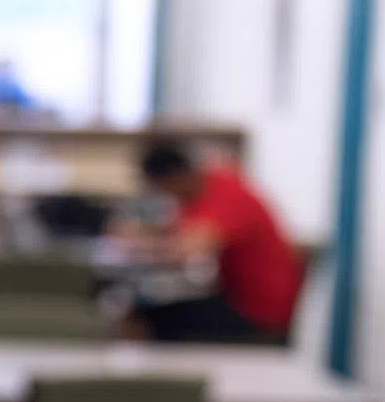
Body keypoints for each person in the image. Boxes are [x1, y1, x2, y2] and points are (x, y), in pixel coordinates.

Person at [120, 140, 303, 344]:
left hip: (260, 312)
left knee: (149, 317)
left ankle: (158, 374)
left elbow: (189, 248)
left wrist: (141, 246)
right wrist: (143, 233)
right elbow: (174, 232)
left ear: (176, 177)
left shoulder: (226, 192)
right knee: (147, 308)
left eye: (162, 189)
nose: (165, 196)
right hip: (234, 298)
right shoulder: (194, 194)